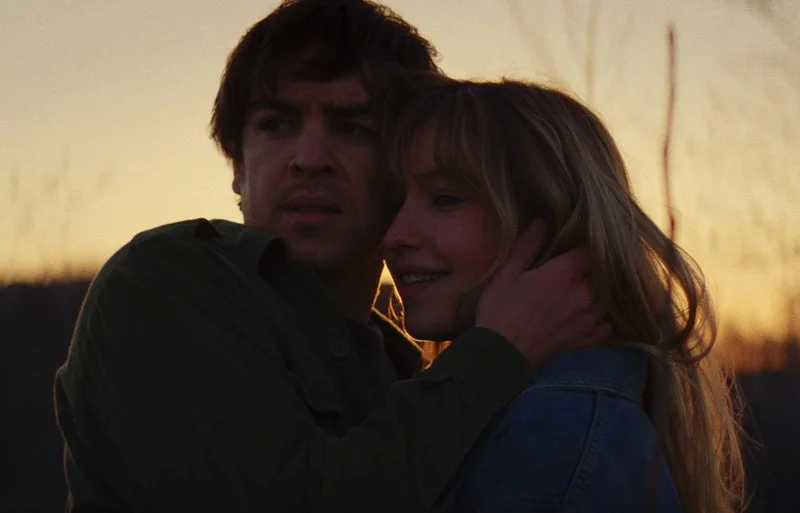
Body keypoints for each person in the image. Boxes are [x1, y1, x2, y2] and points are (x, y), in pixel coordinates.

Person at [53, 2, 610, 512]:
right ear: (238, 169)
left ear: (401, 168)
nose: (310, 158)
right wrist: (500, 352)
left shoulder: (400, 365)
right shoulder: (164, 282)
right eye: (277, 125)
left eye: (352, 128)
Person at [383, 76, 744, 513]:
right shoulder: (527, 416)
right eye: (394, 203)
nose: (395, 236)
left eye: (445, 200)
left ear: (551, 218)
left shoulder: (556, 438)